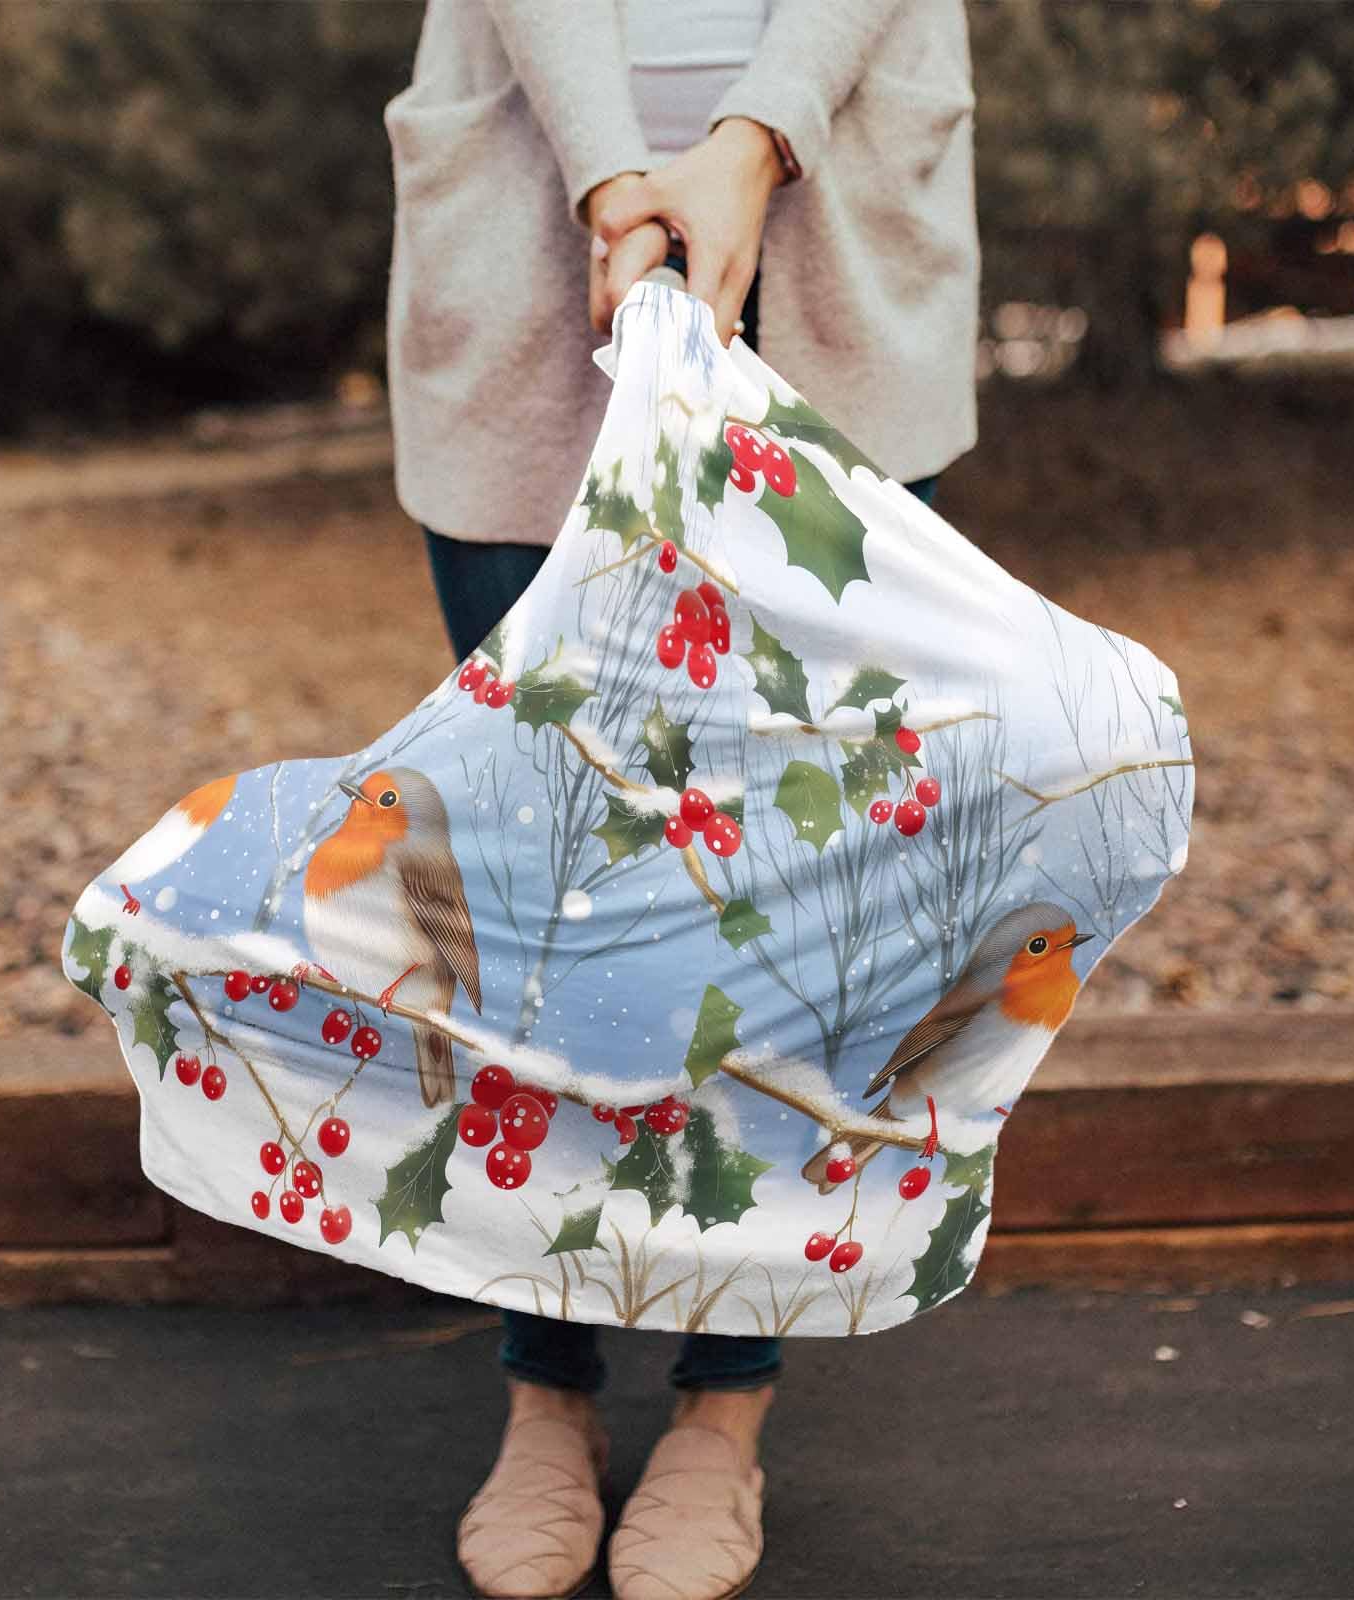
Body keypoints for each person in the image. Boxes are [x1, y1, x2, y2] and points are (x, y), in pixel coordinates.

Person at [382, 4, 980, 1596]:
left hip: (836, 212)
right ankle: (546, 1388)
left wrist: (753, 136)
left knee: (787, 876)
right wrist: (610, 177)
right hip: (532, 212)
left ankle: (725, 1406)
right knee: (541, 868)